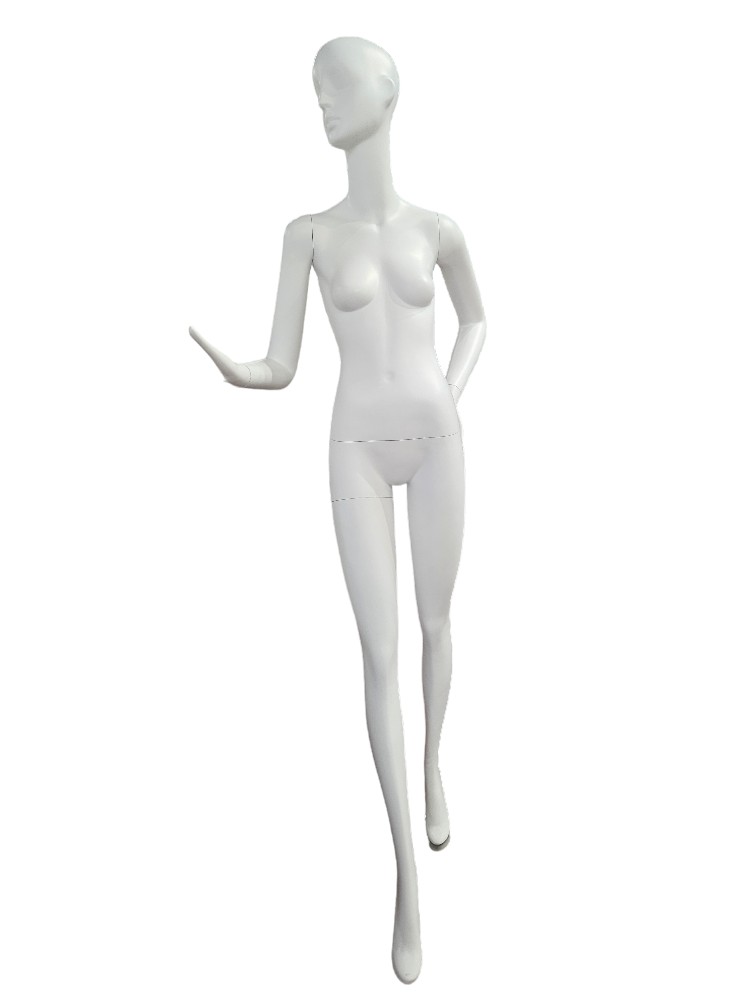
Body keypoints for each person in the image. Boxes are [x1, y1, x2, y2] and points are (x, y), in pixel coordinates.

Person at [189, 36, 486, 985]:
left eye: (334, 86)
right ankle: (406, 875)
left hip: (436, 439)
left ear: (385, 95)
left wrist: (451, 394)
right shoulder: (307, 236)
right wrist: (241, 370)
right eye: (316, 89)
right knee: (380, 653)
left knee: (436, 625)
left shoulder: (438, 227)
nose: (320, 103)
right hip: (354, 444)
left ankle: (433, 762)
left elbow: (479, 317)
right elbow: (284, 363)